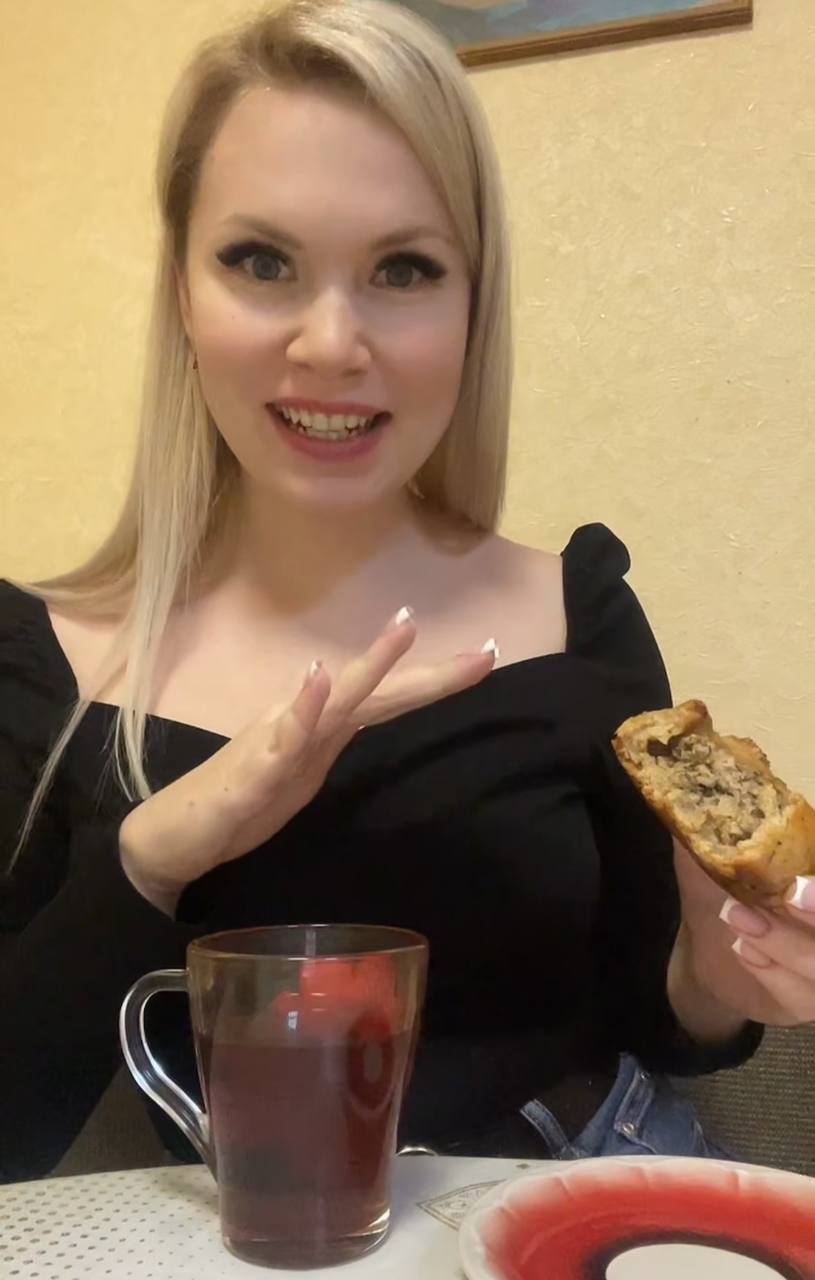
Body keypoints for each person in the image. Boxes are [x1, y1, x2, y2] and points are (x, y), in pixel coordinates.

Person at [2, 0, 814, 1185]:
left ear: (471, 307)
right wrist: (152, 852)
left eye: (403, 268)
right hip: (253, 1229)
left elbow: (663, 1015)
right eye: (261, 261)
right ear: (181, 289)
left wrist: (716, 970)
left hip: (586, 1194)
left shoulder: (578, 611)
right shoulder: (41, 659)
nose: (331, 342)